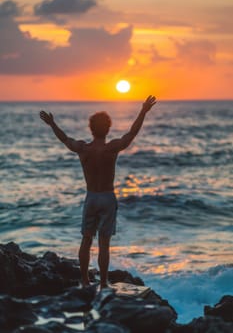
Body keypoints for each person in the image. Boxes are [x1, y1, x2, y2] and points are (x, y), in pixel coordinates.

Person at [40, 95, 156, 289]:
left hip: (92, 196)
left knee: (86, 239)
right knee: (104, 243)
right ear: (108, 128)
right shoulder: (112, 148)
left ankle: (85, 281)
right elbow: (132, 133)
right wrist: (143, 111)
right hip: (108, 197)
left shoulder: (83, 149)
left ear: (91, 129)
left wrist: (52, 124)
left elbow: (65, 139)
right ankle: (103, 283)